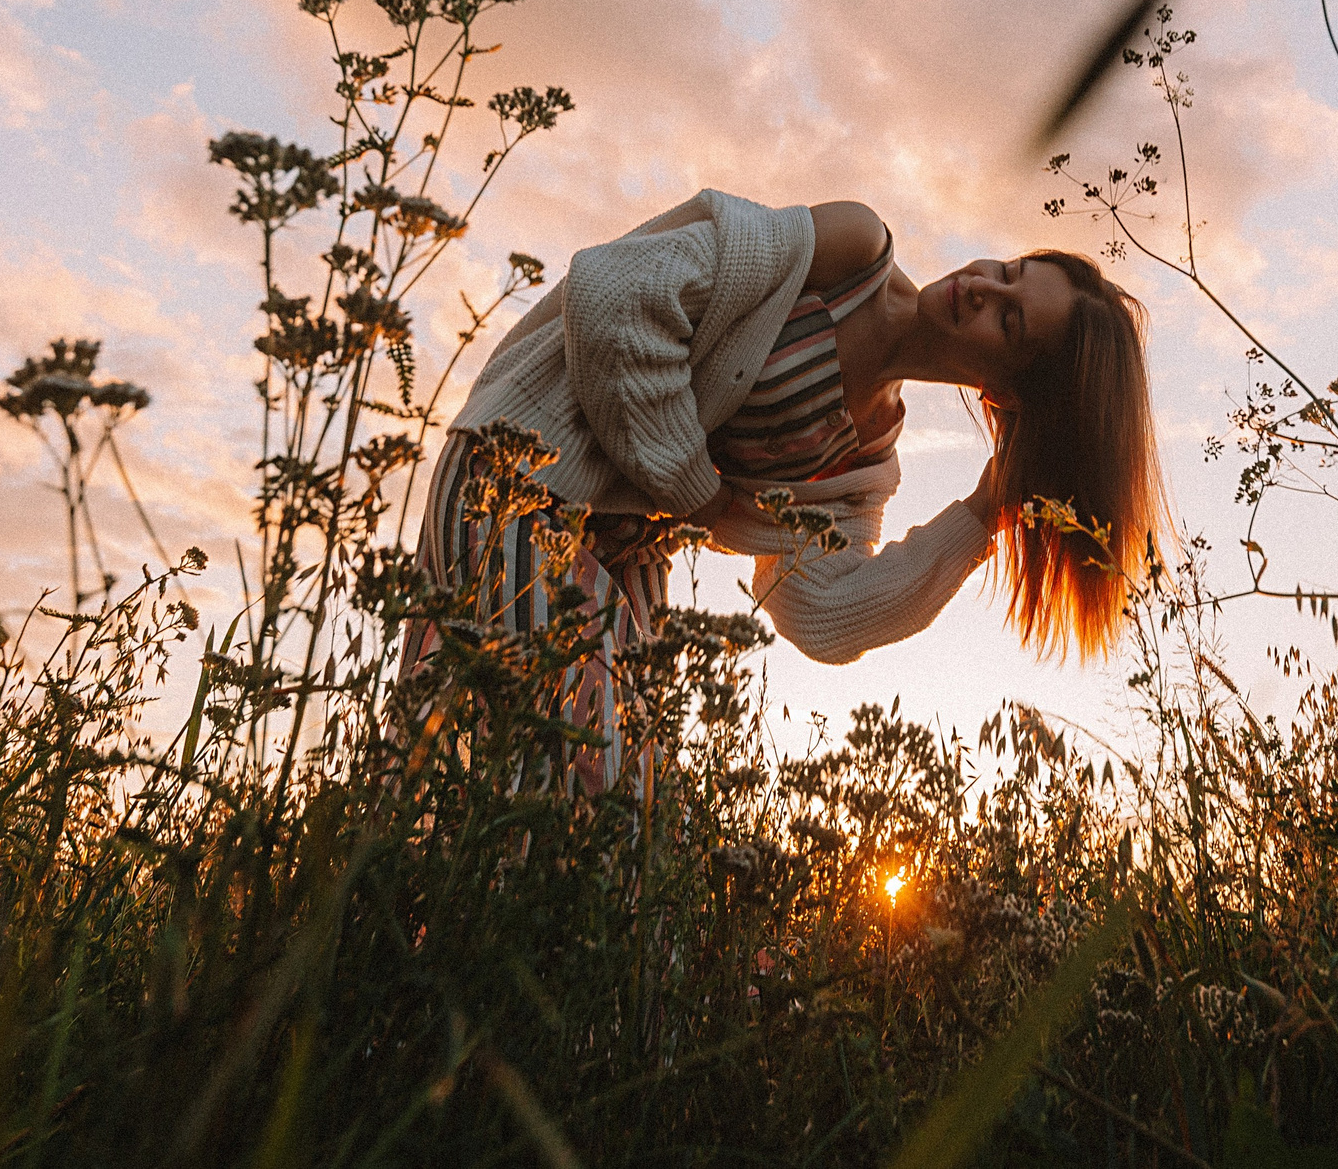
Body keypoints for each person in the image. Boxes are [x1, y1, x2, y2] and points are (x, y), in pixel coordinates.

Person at [402, 188, 1163, 779]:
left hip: (618, 561)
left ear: (1004, 392)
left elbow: (824, 613)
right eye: (1006, 272)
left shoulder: (865, 457)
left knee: (615, 842)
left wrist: (982, 514)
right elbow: (613, 291)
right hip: (519, 476)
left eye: (1008, 322)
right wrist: (693, 485)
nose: (981, 287)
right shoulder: (852, 254)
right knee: (552, 785)